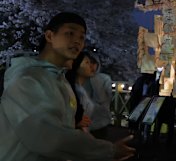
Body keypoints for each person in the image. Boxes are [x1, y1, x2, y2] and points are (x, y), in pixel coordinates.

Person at [0, 12, 135, 161]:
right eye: (70, 33)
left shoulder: (61, 80)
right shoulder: (27, 79)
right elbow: (47, 137)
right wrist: (108, 150)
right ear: (50, 36)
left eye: (82, 37)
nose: (77, 41)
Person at [83, 53, 113, 139]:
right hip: (82, 121)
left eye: (93, 63)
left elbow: (105, 98)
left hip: (100, 121)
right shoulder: (79, 78)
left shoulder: (104, 78)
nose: (91, 66)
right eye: (87, 63)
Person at [66, 51, 97, 132]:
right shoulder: (75, 91)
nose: (91, 66)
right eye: (87, 62)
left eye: (91, 62)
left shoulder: (81, 89)